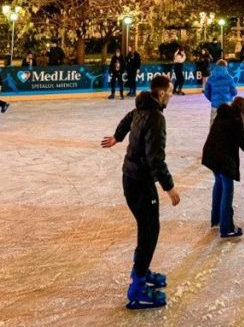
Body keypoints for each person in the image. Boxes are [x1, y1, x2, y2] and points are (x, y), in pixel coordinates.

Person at [101, 75, 180, 310]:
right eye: (171, 91)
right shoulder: (155, 117)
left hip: (130, 177)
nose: (172, 95)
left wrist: (118, 136)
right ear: (162, 92)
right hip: (140, 182)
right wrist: (169, 186)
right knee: (150, 230)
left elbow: (128, 119)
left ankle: (141, 271)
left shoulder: (141, 108)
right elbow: (155, 156)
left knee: (146, 228)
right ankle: (137, 288)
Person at [201, 96, 244, 238]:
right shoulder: (236, 121)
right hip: (223, 159)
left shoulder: (223, 115)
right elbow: (243, 145)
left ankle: (216, 220)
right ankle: (227, 228)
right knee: (227, 189)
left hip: (210, 155)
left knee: (219, 184)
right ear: (243, 111)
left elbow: (233, 131)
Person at [203, 60, 237, 125]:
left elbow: (206, 92)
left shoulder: (211, 78)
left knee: (213, 123)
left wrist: (213, 99)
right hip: (227, 105)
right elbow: (234, 92)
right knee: (228, 123)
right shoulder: (229, 78)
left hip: (215, 105)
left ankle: (213, 135)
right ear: (225, 67)